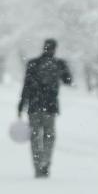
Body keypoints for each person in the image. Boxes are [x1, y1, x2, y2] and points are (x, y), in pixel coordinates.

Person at [17, 39, 72, 178]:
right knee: (49, 136)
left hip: (34, 106)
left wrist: (21, 105)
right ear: (55, 49)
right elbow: (68, 80)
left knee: (35, 137)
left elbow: (26, 86)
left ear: (44, 47)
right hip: (50, 107)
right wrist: (65, 68)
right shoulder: (58, 64)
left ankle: (37, 166)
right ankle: (45, 161)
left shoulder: (33, 64)